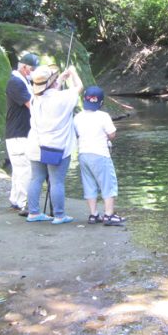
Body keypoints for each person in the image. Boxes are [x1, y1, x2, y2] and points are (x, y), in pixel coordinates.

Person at [24, 64, 83, 224]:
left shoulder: (34, 98)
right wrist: (73, 72)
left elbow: (48, 92)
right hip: (57, 147)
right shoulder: (63, 98)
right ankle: (59, 215)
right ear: (51, 82)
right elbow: (79, 87)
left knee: (36, 178)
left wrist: (60, 80)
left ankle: (34, 213)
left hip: (36, 145)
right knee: (57, 181)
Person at [73, 86, 125, 226]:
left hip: (83, 154)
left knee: (89, 184)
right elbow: (112, 134)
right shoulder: (103, 116)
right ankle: (108, 215)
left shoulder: (78, 117)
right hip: (100, 154)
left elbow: (76, 134)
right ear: (101, 102)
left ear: (85, 100)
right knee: (108, 184)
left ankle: (93, 214)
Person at [5, 52, 40, 216]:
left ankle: (16, 200)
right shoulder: (16, 82)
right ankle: (25, 203)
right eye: (32, 69)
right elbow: (31, 105)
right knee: (25, 169)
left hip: (20, 132)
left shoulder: (24, 81)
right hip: (18, 133)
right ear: (25, 67)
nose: (33, 72)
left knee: (20, 169)